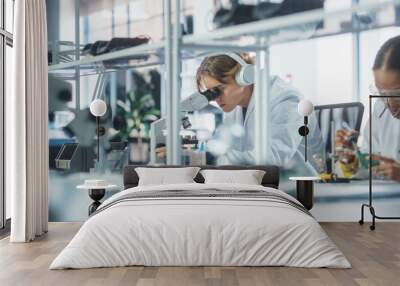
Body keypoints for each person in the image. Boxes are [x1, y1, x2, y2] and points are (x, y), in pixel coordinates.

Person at [196, 52, 322, 174]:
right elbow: (230, 149)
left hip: (297, 186)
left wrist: (213, 159)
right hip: (259, 184)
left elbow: (273, 158)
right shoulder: (233, 104)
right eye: (211, 92)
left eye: (220, 89)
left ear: (244, 77)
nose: (216, 98)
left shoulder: (284, 99)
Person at [335, 36, 400, 182]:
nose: (389, 103)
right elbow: (370, 165)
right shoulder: (380, 108)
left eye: (396, 94)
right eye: (382, 93)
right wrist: (350, 159)